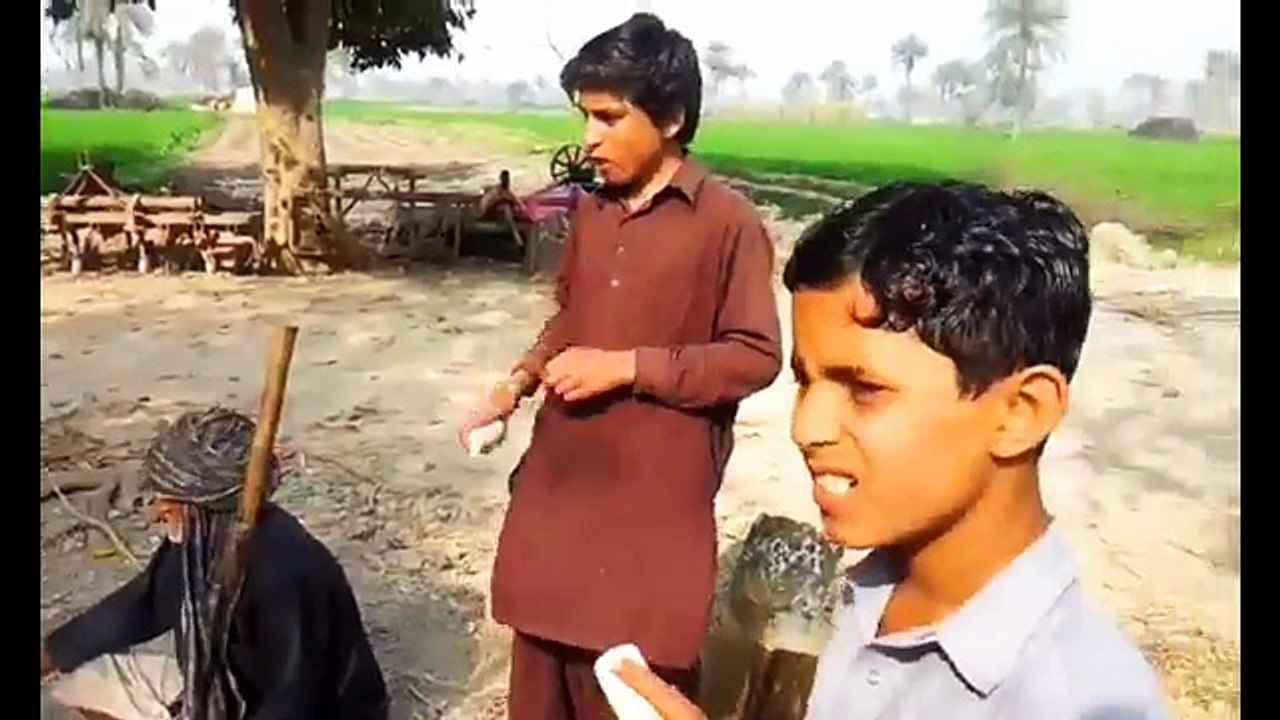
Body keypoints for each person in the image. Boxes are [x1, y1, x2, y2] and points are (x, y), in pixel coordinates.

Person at [612, 182, 1171, 719]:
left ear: (1020, 412)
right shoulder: (842, 605)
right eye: (805, 382)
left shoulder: (1079, 699)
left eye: (865, 389)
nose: (807, 428)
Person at [457, 12, 782, 719]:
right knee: (538, 689)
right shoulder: (594, 214)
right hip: (559, 498)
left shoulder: (728, 224)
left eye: (608, 117)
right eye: (585, 117)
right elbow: (570, 319)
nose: (590, 139)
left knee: (632, 688)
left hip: (650, 521)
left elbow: (757, 357)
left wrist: (628, 367)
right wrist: (513, 388)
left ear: (671, 117)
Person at [41, 407, 390, 720]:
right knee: (86, 677)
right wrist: (51, 655)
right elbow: (141, 607)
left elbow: (293, 695)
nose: (156, 512)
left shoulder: (286, 574)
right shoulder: (201, 541)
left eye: (170, 499)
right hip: (233, 689)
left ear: (209, 505)